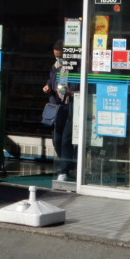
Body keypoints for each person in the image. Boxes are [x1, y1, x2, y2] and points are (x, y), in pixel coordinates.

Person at [42, 39, 76, 180]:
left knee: (66, 139)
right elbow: (51, 80)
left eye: (60, 56)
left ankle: (65, 170)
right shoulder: (55, 66)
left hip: (70, 105)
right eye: (56, 56)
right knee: (57, 139)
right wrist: (48, 86)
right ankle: (67, 164)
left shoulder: (75, 67)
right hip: (57, 105)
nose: (58, 59)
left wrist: (71, 91)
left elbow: (79, 85)